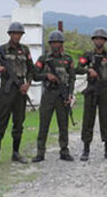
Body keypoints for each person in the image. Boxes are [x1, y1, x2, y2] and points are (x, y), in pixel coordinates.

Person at [0, 22, 34, 165]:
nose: (17, 36)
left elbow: (31, 70)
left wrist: (27, 84)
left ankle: (16, 153)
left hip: (21, 91)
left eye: (19, 34)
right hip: (6, 90)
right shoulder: (1, 50)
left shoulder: (25, 50)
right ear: (10, 34)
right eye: (14, 34)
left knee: (19, 122)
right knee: (1, 121)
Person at [75, 28, 107, 161]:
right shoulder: (88, 55)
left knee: (106, 119)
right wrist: (89, 70)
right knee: (88, 119)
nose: (99, 41)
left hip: (105, 90)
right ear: (93, 40)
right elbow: (78, 68)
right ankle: (86, 149)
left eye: (101, 39)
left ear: (104, 41)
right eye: (96, 39)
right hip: (92, 89)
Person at [32, 30, 76, 162]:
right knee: (44, 124)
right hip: (48, 94)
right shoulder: (44, 59)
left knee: (63, 124)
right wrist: (47, 76)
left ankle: (64, 150)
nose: (56, 45)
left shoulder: (68, 59)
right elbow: (34, 75)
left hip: (62, 95)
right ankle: (40, 152)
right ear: (50, 44)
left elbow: (72, 78)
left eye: (58, 42)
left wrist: (69, 94)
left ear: (62, 44)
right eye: (53, 43)